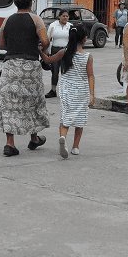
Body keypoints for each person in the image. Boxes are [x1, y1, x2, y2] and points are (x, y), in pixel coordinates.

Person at [0, 0, 49, 157]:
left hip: (10, 66)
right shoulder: (36, 19)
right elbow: (45, 41)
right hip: (30, 66)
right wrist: (39, 46)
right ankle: (34, 138)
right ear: (31, 1)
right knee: (32, 100)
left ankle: (10, 143)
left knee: (8, 103)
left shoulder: (7, 20)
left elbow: (1, 45)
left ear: (15, 2)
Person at [41, 25, 95, 158]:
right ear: (83, 39)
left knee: (65, 116)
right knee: (80, 119)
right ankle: (75, 147)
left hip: (66, 89)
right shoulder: (88, 56)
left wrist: (40, 51)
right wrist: (92, 94)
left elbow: (48, 60)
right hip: (81, 90)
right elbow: (90, 76)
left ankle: (63, 138)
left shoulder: (63, 52)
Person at [44, 9, 72, 98]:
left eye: (67, 16)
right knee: (55, 71)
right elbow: (48, 39)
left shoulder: (70, 26)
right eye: (63, 16)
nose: (65, 17)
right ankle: (53, 90)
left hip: (66, 52)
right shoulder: (53, 25)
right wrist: (46, 51)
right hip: (55, 51)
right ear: (59, 16)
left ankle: (66, 91)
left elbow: (73, 41)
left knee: (66, 72)